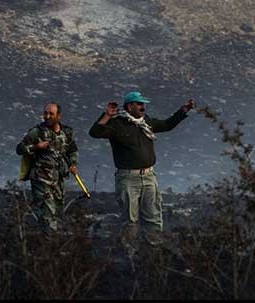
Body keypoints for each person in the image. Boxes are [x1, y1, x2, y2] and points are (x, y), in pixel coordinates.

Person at [89, 91, 195, 248]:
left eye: (143, 104)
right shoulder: (117, 124)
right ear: (129, 106)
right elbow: (95, 133)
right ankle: (129, 253)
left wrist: (183, 111)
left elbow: (167, 125)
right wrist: (107, 116)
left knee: (153, 216)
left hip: (149, 176)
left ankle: (153, 252)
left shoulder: (147, 123)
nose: (143, 107)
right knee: (130, 220)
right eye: (139, 104)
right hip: (128, 178)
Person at [16, 102, 79, 232]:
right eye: (45, 113)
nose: (47, 116)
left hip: (59, 179)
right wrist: (36, 147)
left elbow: (72, 150)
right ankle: (48, 241)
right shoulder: (36, 132)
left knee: (58, 211)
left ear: (59, 116)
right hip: (41, 178)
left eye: (51, 114)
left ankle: (51, 245)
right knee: (47, 213)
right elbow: (20, 148)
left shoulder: (67, 133)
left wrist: (73, 164)